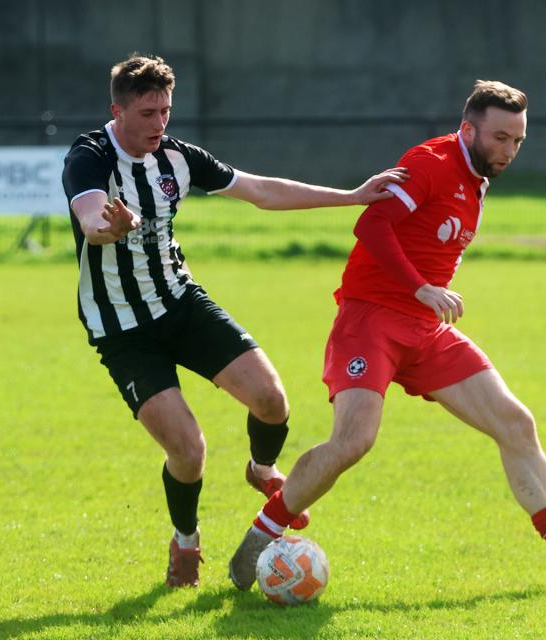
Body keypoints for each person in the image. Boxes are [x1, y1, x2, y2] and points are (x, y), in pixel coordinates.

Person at [229, 80, 546, 591]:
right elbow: (372, 227)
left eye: (517, 141)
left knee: (515, 422)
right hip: (370, 319)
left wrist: (424, 296)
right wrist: (421, 287)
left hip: (424, 329)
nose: (509, 151)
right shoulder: (431, 162)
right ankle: (261, 536)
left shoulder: (477, 178)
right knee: (354, 441)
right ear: (468, 129)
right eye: (500, 138)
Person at [61, 53, 407, 588]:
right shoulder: (88, 156)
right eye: (148, 113)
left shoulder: (176, 157)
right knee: (189, 449)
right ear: (118, 110)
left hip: (180, 302)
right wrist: (111, 224)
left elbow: (261, 191)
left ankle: (262, 469)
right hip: (123, 327)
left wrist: (351, 196)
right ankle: (185, 544)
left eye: (166, 111)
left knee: (272, 400)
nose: (160, 124)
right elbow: (89, 220)